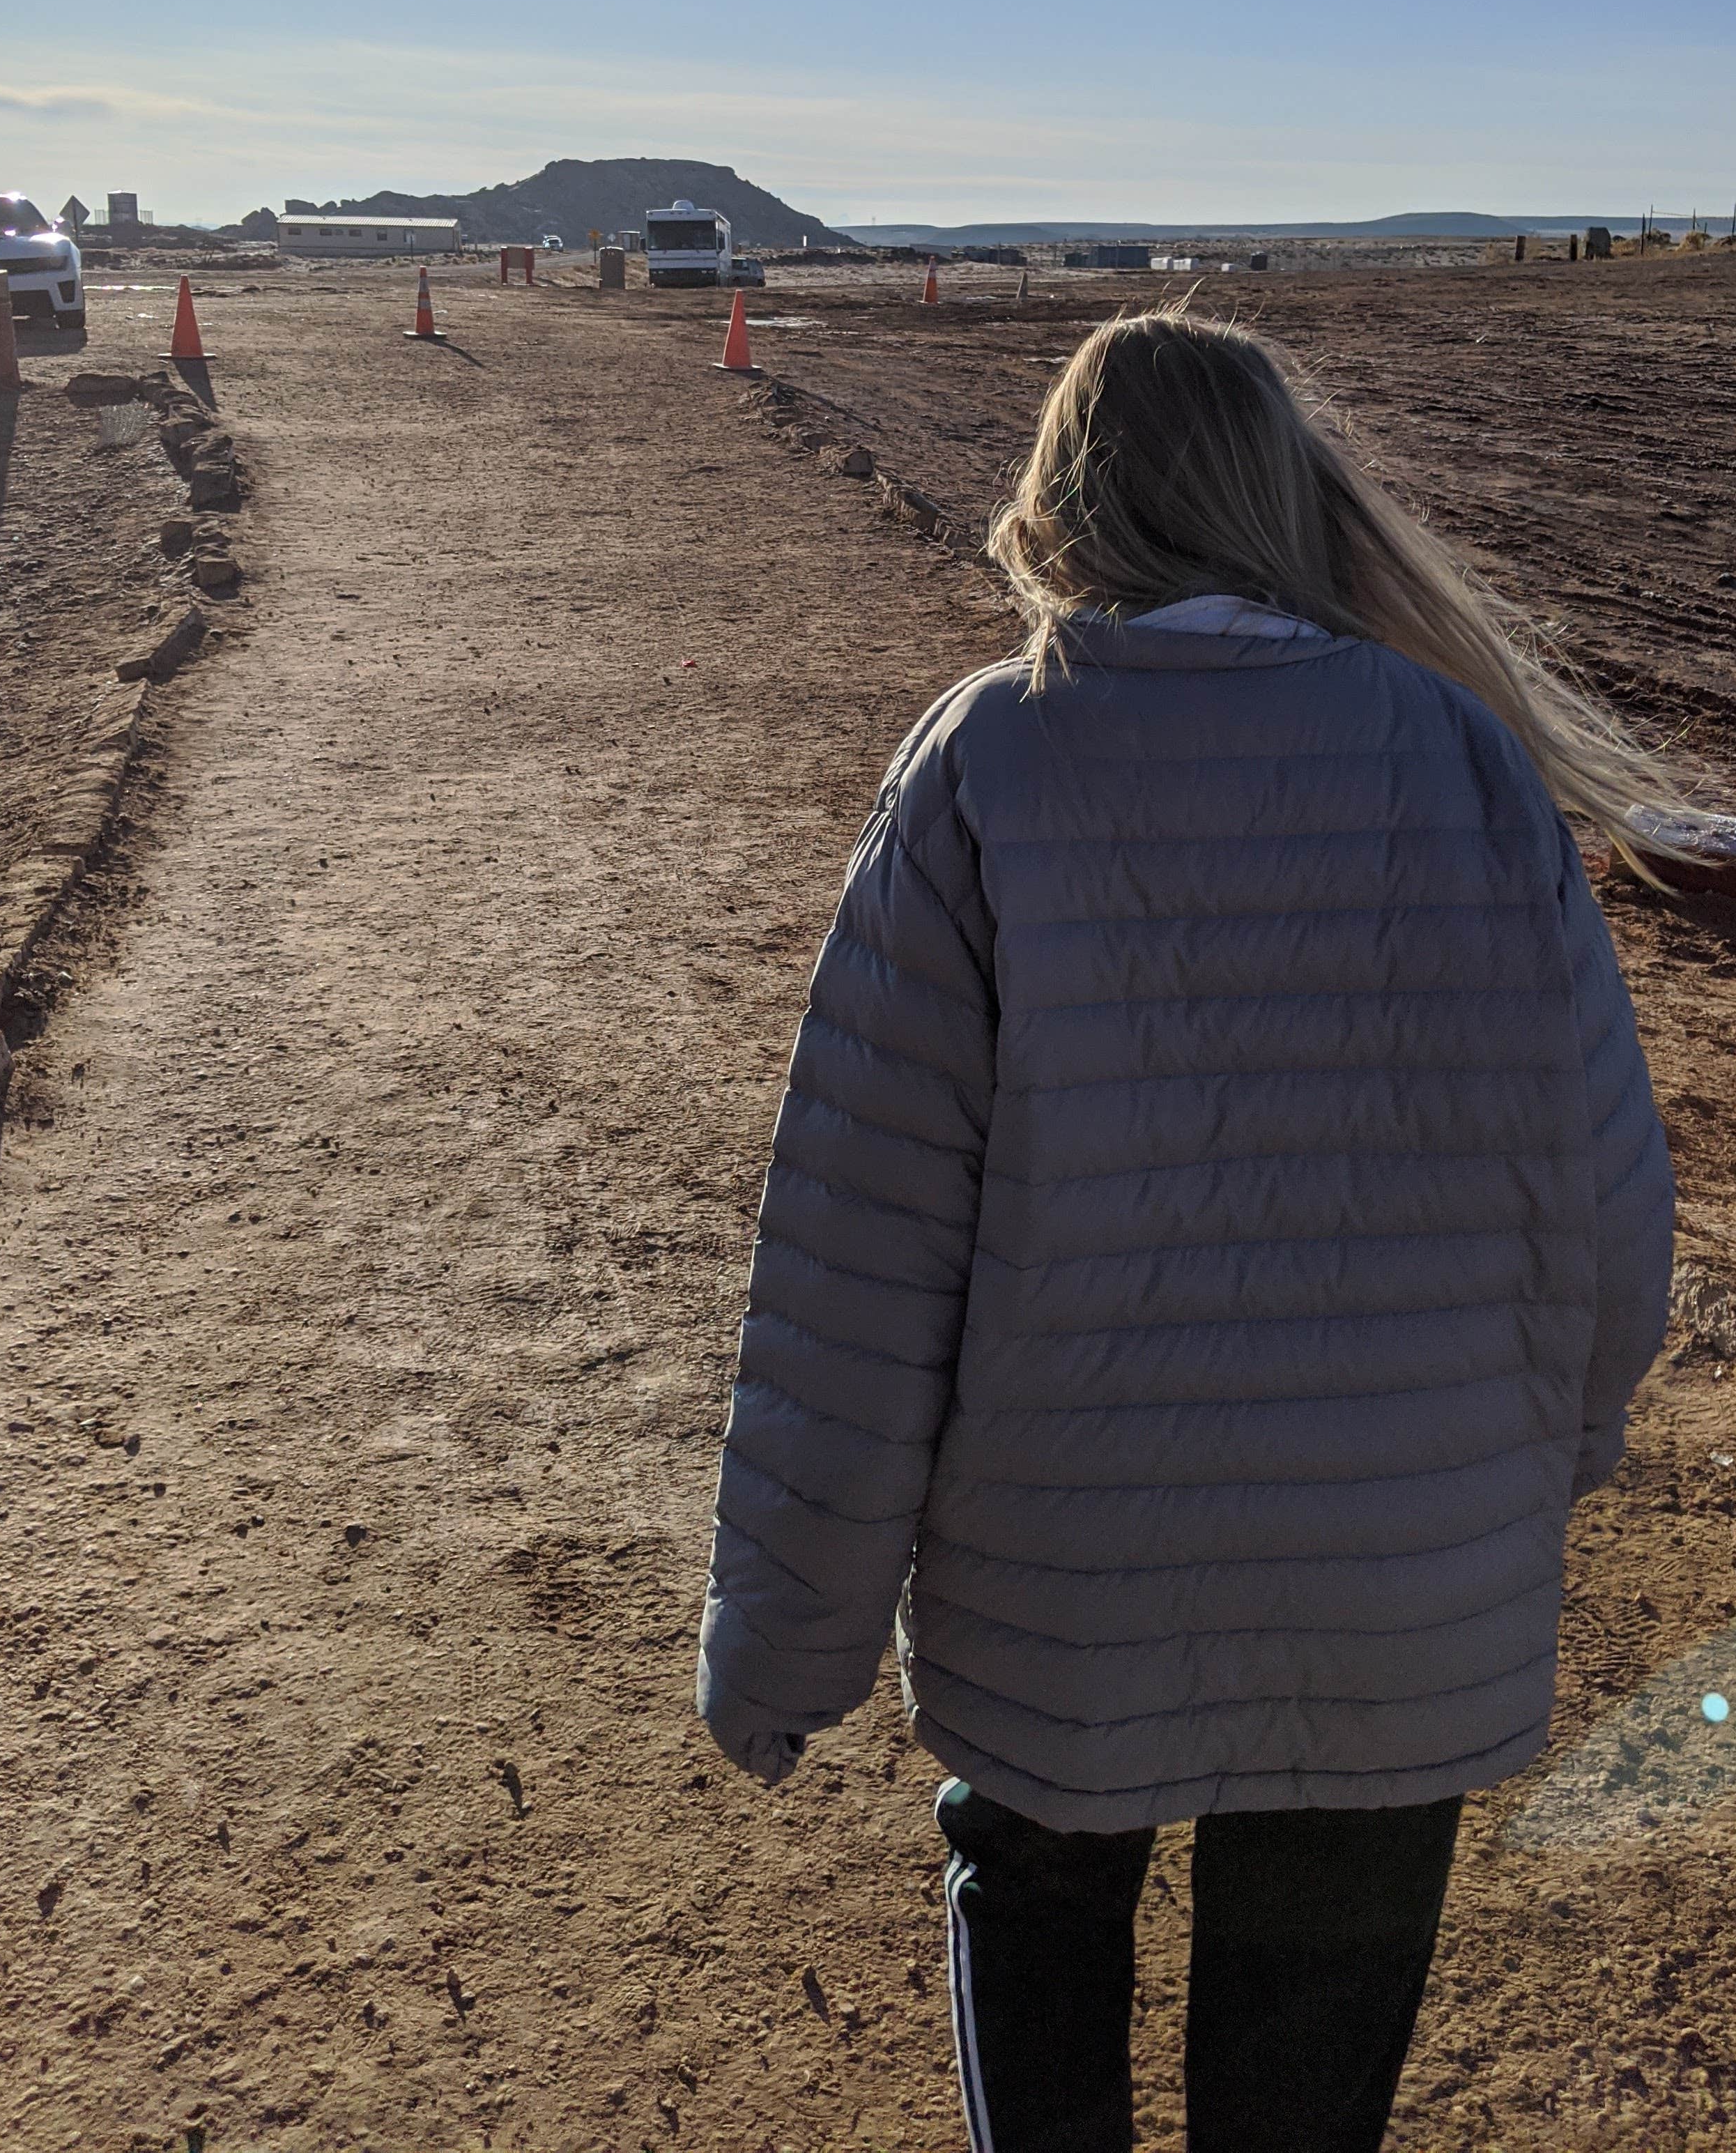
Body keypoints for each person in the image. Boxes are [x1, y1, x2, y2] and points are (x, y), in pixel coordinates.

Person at [697, 309, 1677, 2153]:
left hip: (1067, 1591)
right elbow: (1613, 1210)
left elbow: (860, 1262)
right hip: (1399, 1592)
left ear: (1069, 501)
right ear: (1283, 492)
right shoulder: (1464, 760)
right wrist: (1514, 1474)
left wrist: (782, 1644)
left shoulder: (988, 763)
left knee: (1042, 1940)